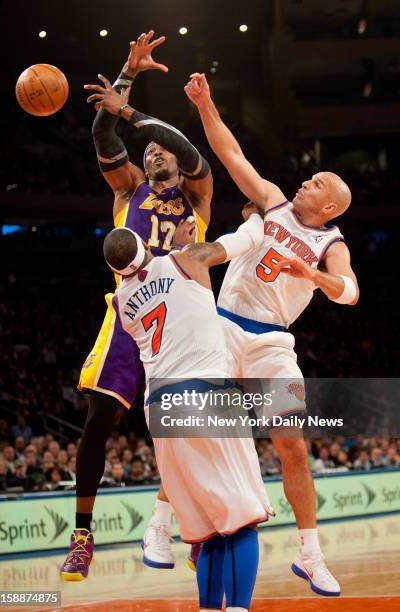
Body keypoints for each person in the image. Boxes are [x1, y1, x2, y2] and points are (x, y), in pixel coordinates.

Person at [183, 72, 360, 597]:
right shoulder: (274, 202)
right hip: (221, 324)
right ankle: (173, 527)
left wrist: (313, 276)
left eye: (319, 182)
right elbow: (232, 153)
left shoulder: (331, 241)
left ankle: (310, 554)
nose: (308, 181)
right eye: (311, 177)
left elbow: (349, 292)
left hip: (272, 345)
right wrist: (206, 104)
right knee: (191, 430)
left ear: (328, 207)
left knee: (294, 448)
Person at [60, 32, 213, 581]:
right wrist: (125, 78)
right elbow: (104, 131)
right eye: (146, 150)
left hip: (185, 326)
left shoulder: (198, 194)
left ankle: (200, 530)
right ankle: (82, 536)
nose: (151, 152)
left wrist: (134, 110)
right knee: (98, 418)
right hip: (131, 316)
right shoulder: (128, 191)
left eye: (158, 148)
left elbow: (190, 150)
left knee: (185, 433)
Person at [105, 218, 272, 612]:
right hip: (205, 395)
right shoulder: (187, 259)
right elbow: (246, 239)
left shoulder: (121, 303)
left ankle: (209, 606)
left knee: (207, 528)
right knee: (242, 518)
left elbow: (148, 280)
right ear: (144, 245)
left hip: (159, 409)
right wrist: (261, 213)